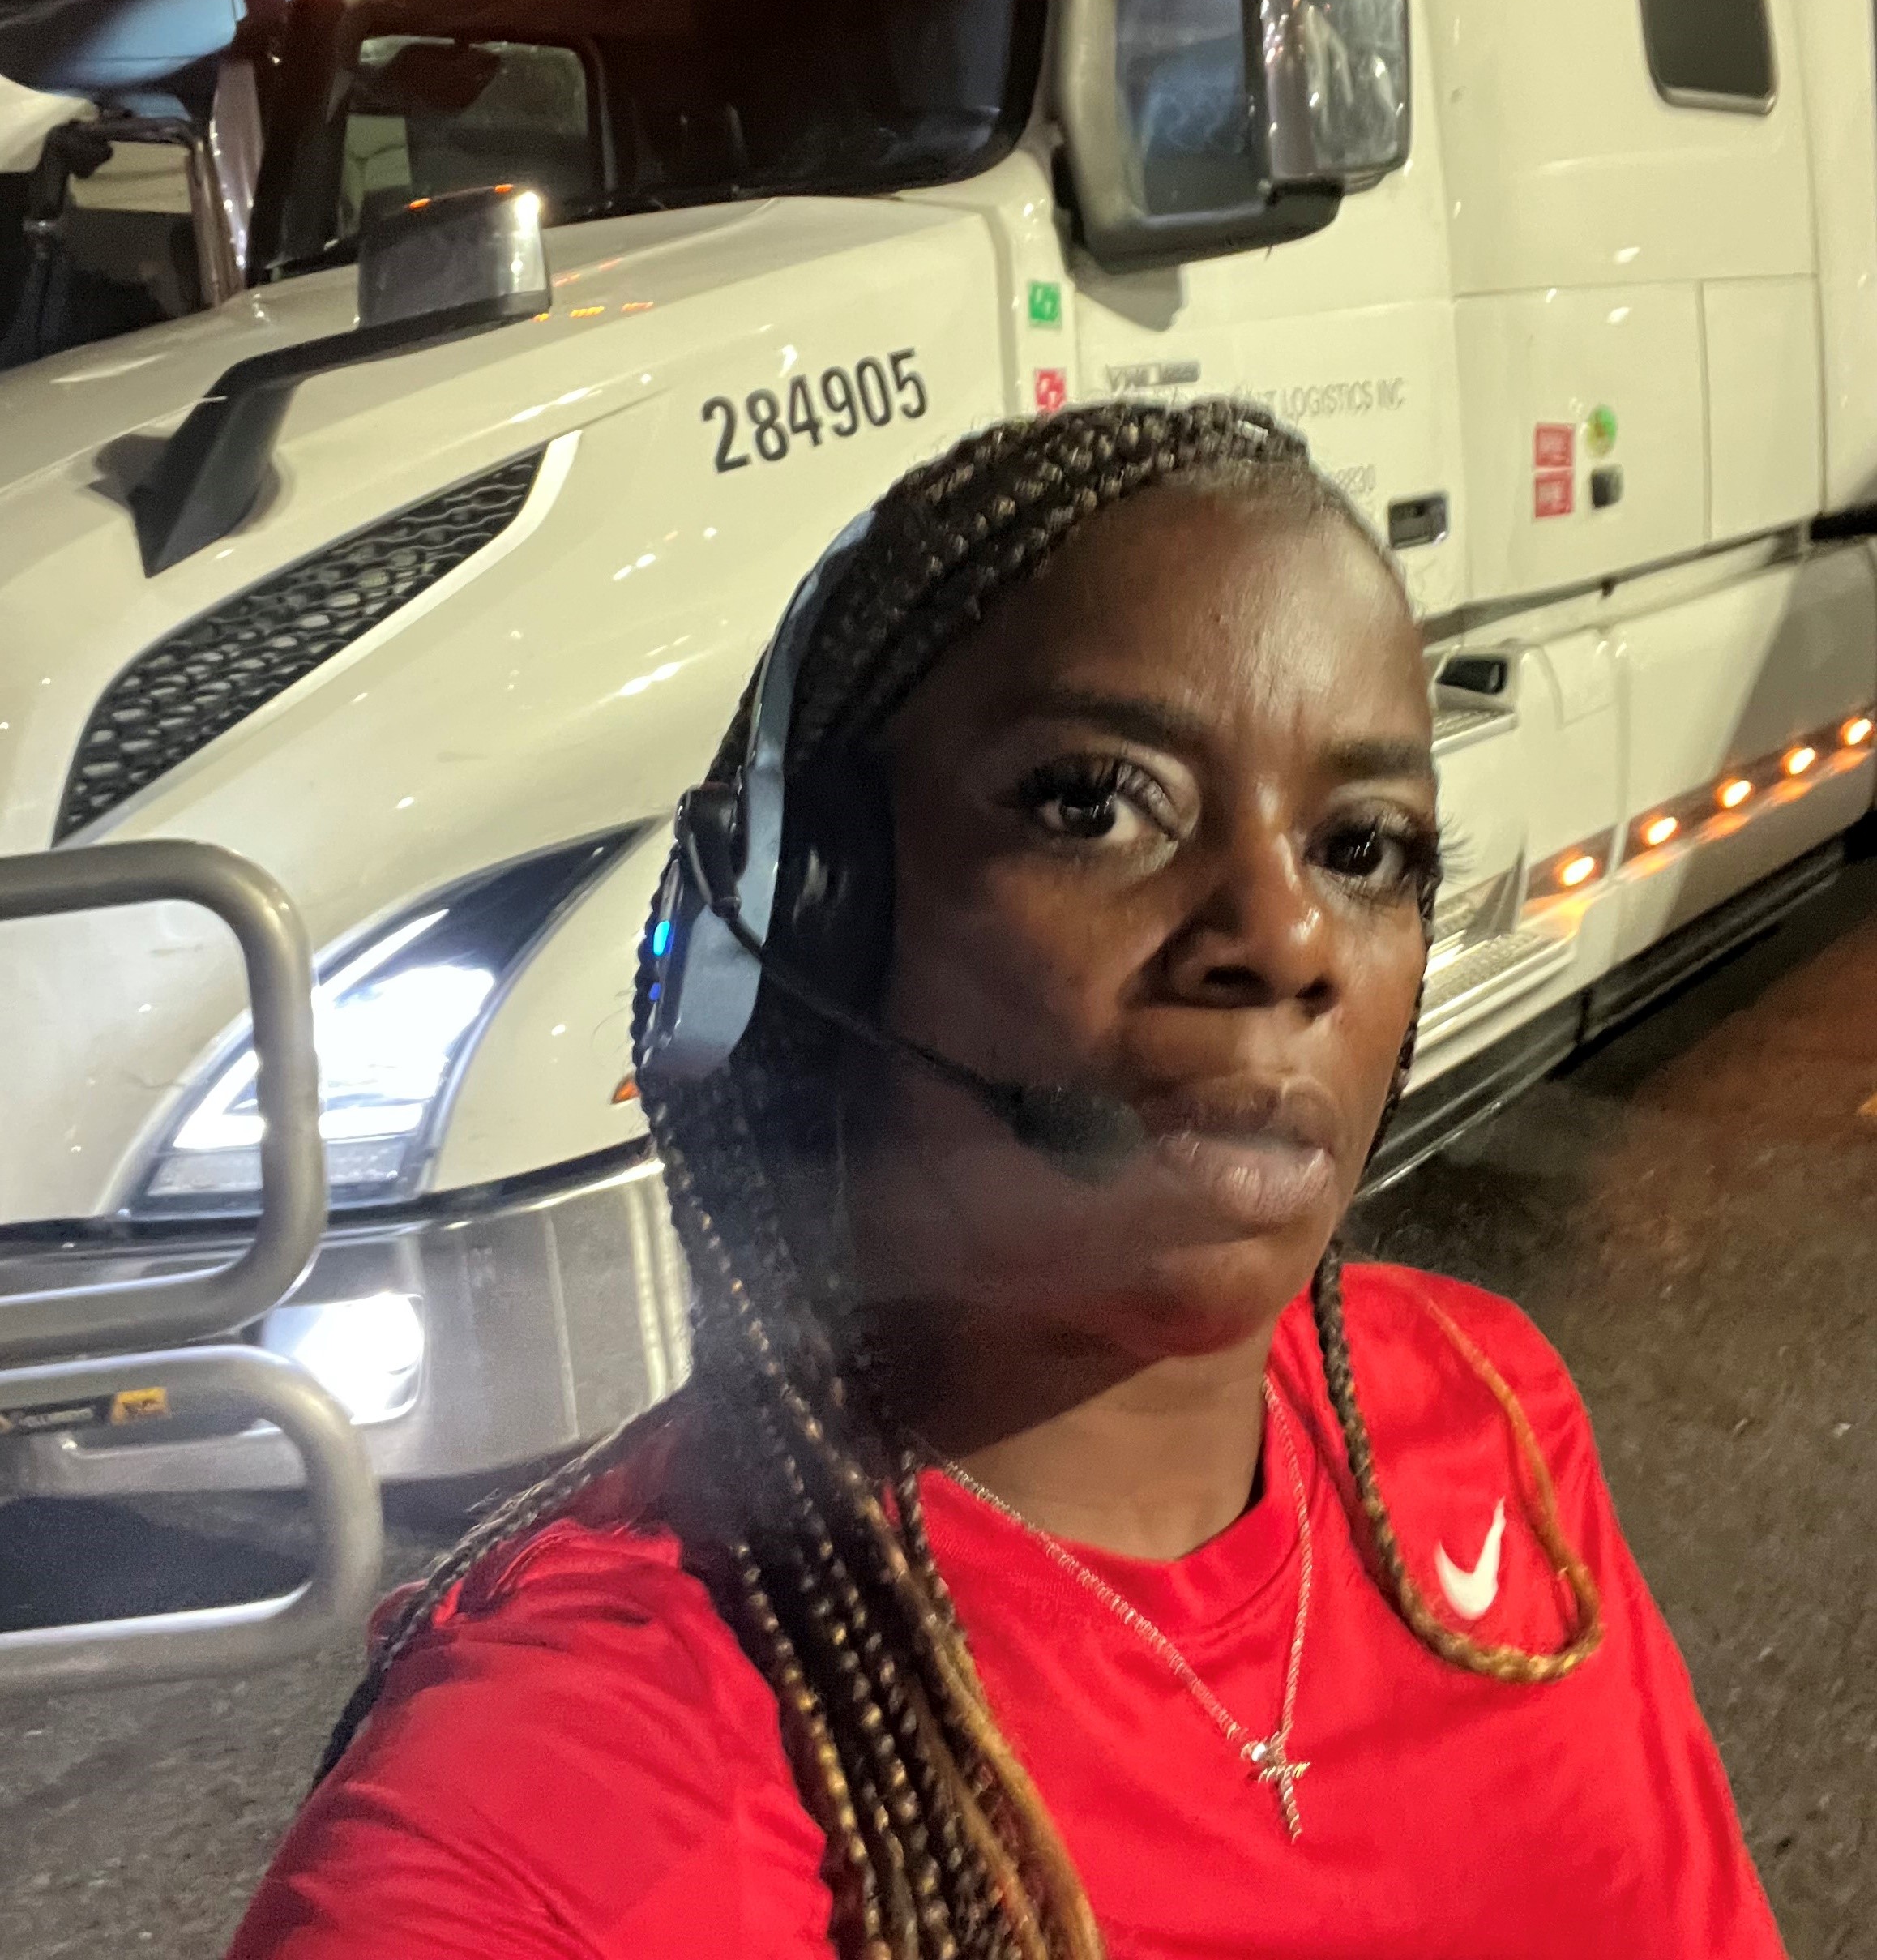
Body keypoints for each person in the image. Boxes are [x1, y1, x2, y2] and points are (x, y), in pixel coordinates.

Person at [230, 400, 1784, 1960]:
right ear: (816, 920)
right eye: (1094, 804)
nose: (1286, 935)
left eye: (1362, 847)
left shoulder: (1487, 1405)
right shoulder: (562, 1798)